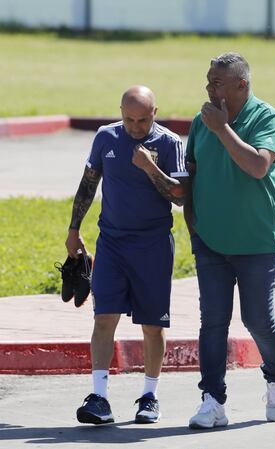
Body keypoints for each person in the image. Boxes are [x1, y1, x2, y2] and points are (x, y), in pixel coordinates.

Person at [65, 85, 188, 425]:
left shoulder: (169, 143)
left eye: (143, 120)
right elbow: (89, 183)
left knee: (152, 323)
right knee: (104, 317)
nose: (135, 127)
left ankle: (150, 396)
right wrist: (74, 230)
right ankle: (99, 398)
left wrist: (150, 167)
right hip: (112, 244)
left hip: (152, 246)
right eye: (129, 119)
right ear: (120, 112)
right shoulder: (106, 138)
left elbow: (179, 196)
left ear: (155, 113)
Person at [184, 52, 275, 429]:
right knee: (212, 322)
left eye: (217, 83)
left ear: (241, 86)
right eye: (208, 81)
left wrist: (223, 130)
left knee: (257, 319)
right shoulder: (202, 121)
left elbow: (259, 167)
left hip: (258, 241)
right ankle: (212, 400)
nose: (209, 88)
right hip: (211, 240)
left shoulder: (266, 117)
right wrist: (191, 219)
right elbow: (191, 171)